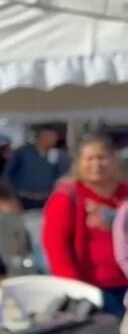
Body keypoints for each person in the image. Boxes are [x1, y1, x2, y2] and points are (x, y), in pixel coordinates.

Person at [42, 133, 128, 320]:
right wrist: (74, 288)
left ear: (114, 160)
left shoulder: (124, 195)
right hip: (92, 290)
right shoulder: (67, 198)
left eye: (102, 158)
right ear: (79, 163)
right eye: (89, 159)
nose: (96, 165)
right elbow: (56, 245)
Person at [4, 129, 60, 210]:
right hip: (23, 199)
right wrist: (12, 196)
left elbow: (59, 174)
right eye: (51, 138)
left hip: (46, 199)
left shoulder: (55, 154)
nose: (54, 141)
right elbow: (7, 174)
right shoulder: (22, 152)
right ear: (42, 138)